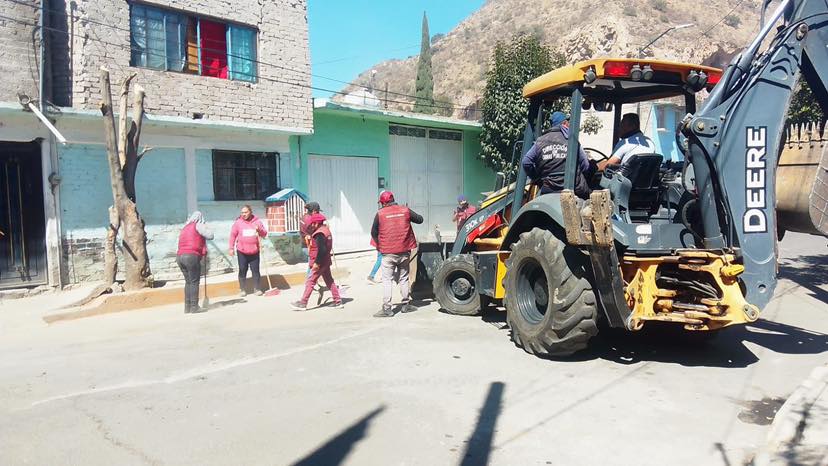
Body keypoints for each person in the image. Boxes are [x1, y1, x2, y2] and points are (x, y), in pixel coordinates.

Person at [370, 191, 424, 317]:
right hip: (404, 251)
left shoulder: (380, 214)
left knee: (387, 280)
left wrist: (380, 245)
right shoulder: (405, 210)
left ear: (383, 203)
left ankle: (387, 309)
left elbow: (373, 232)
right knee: (404, 278)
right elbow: (420, 219)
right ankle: (406, 305)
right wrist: (407, 214)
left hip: (387, 253)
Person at [521, 111, 592, 199]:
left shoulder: (540, 141)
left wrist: (536, 177)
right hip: (574, 189)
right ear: (565, 123)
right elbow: (586, 165)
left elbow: (526, 162)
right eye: (568, 122)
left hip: (548, 189)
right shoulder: (572, 140)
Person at [291, 213, 343, 310]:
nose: (311, 225)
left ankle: (303, 303)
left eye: (312, 223)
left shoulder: (319, 233)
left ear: (316, 223)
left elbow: (322, 250)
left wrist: (317, 263)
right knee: (329, 280)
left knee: (310, 281)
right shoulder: (326, 230)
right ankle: (338, 300)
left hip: (320, 262)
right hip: (326, 260)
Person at [176, 211, 214, 314]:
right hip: (191, 256)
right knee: (194, 282)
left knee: (188, 282)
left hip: (179, 256)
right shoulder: (198, 225)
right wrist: (206, 227)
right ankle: (194, 307)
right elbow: (210, 235)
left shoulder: (185, 227)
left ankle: (187, 307)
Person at [229, 205, 267, 296]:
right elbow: (232, 235)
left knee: (255, 270)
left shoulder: (257, 222)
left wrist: (259, 229)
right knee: (242, 270)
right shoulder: (238, 223)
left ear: (250, 212)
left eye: (245, 212)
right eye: (242, 213)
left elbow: (264, 234)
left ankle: (257, 289)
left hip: (254, 251)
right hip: (242, 251)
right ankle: (242, 289)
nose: (244, 214)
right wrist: (231, 248)